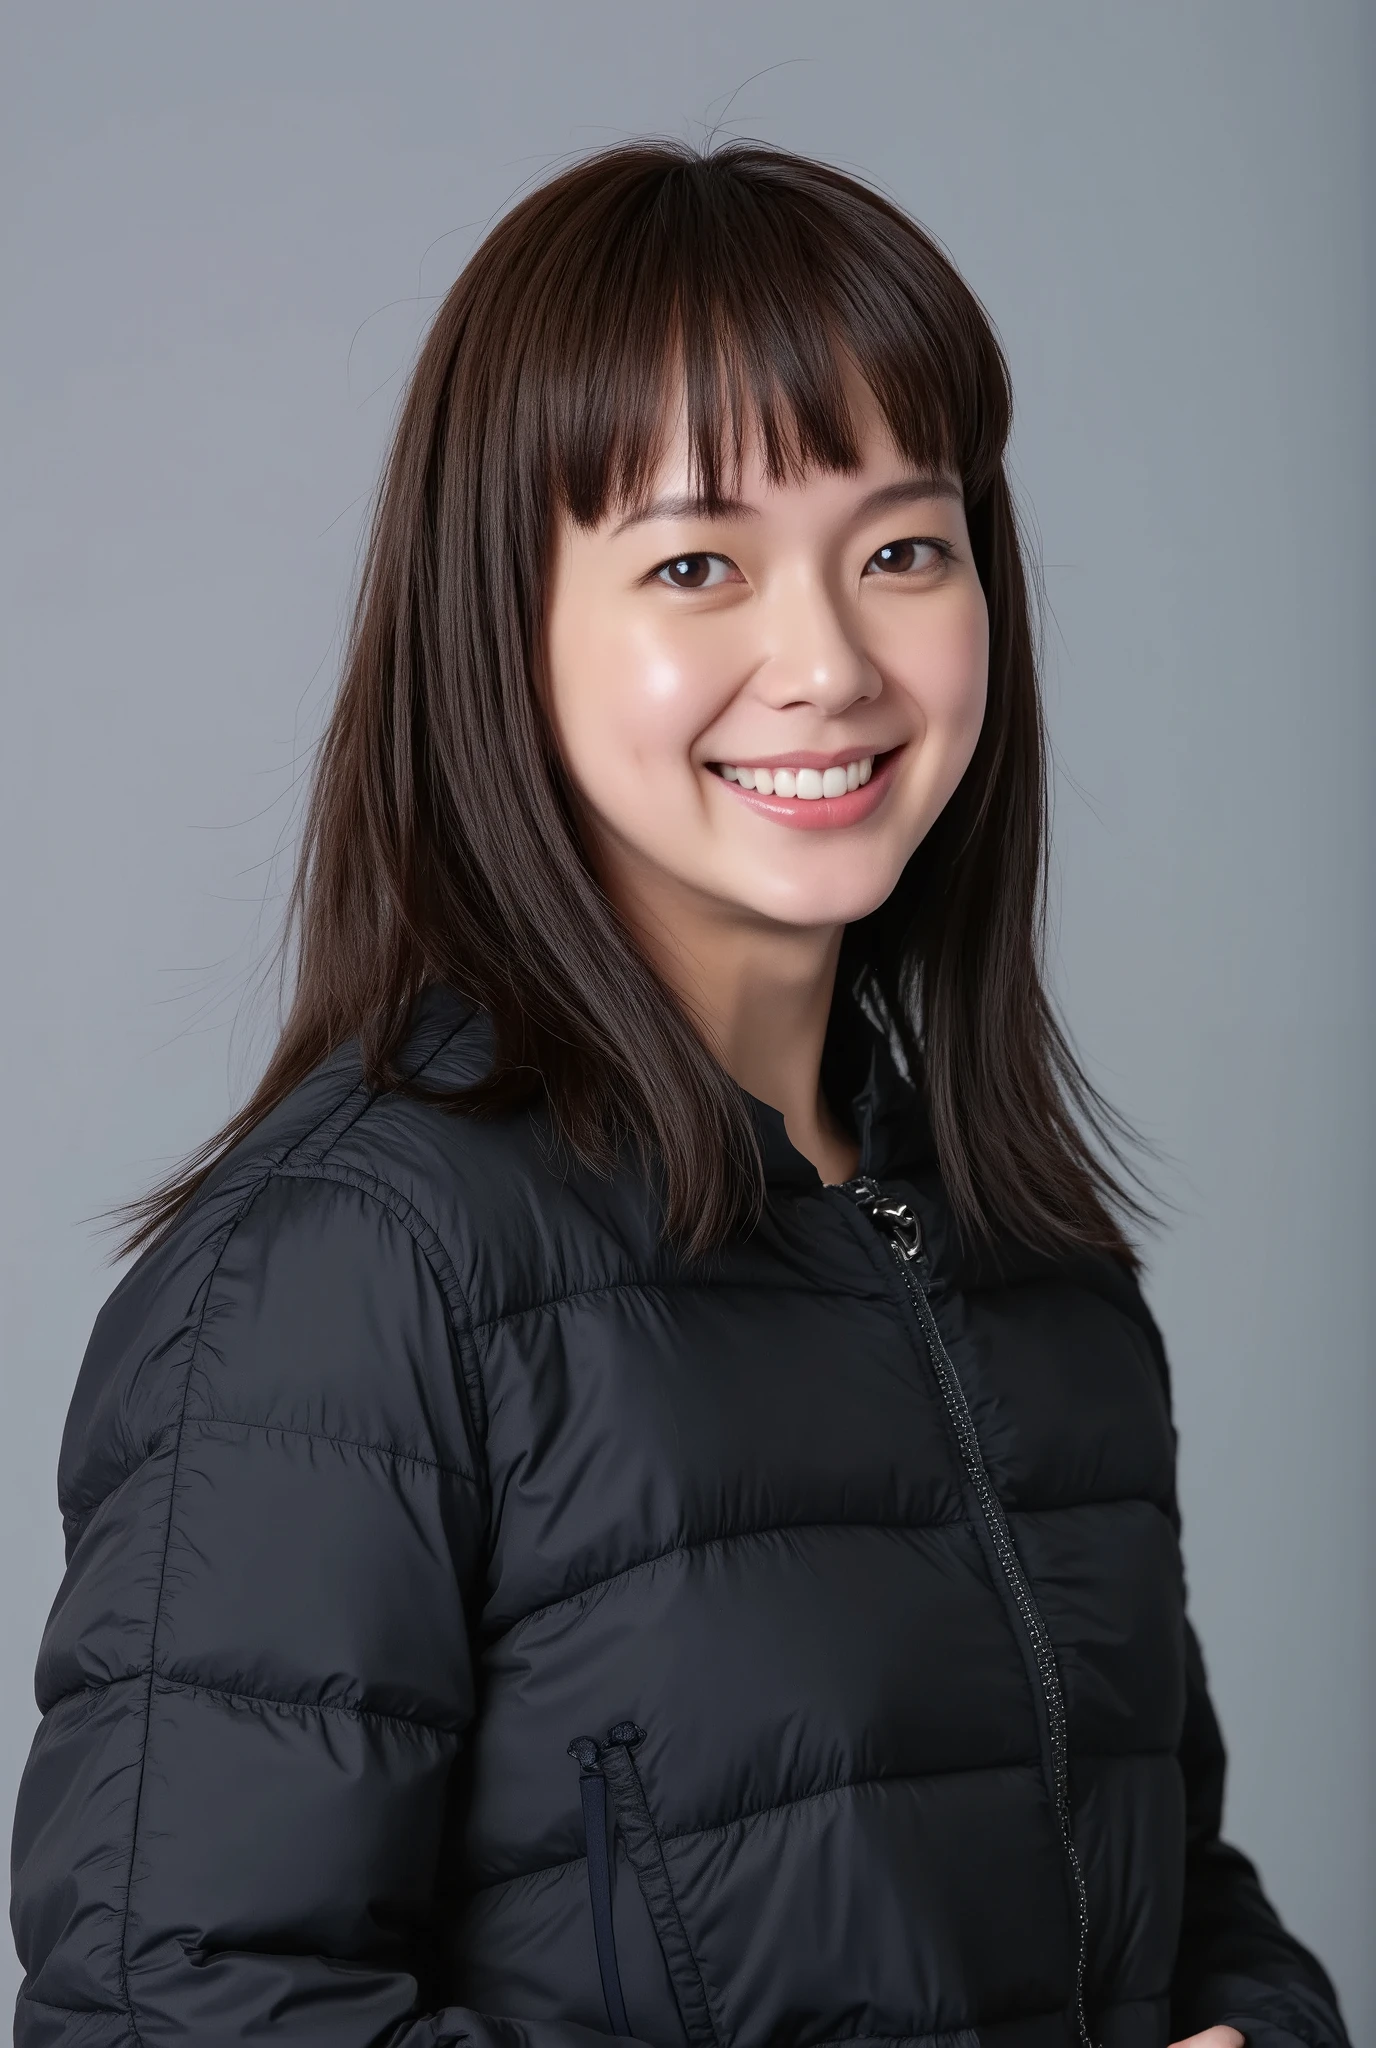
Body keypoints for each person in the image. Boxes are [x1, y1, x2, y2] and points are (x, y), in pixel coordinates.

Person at [8, 140, 1350, 2048]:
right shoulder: (344, 1282)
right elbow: (174, 2019)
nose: (826, 662)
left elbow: (1165, 1895)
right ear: (509, 622)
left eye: (905, 547)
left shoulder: (1030, 1256)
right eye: (696, 563)